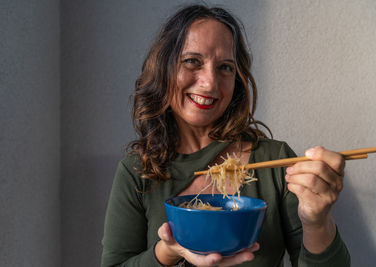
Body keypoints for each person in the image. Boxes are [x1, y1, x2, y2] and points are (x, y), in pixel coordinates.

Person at [101, 4, 350, 267]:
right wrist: (168, 251)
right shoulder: (137, 172)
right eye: (192, 61)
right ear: (164, 69)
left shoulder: (275, 160)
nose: (209, 82)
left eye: (225, 67)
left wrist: (317, 222)